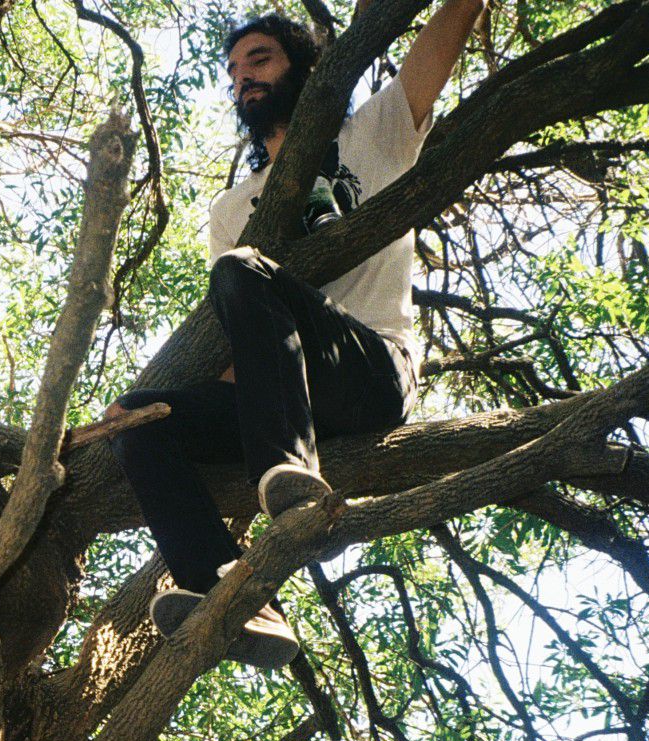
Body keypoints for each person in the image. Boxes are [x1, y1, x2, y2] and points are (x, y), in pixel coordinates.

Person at [109, 4, 485, 668]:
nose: (243, 78)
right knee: (143, 418)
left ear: (303, 69)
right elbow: (243, 342)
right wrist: (163, 406)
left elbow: (449, 28)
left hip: (368, 371)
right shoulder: (232, 211)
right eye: (233, 71)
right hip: (284, 401)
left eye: (260, 59)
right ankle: (231, 589)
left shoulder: (377, 131)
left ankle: (294, 482)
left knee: (241, 271)